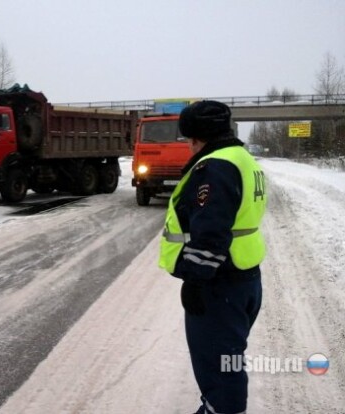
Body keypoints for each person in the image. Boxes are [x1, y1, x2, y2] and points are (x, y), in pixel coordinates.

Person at [158, 100, 267, 414]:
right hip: (243, 276)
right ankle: (215, 405)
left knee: (220, 364)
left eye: (187, 137)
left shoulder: (215, 167)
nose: (187, 144)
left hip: (219, 284)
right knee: (227, 357)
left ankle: (220, 408)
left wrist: (194, 279)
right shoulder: (243, 158)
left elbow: (211, 231)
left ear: (195, 136)